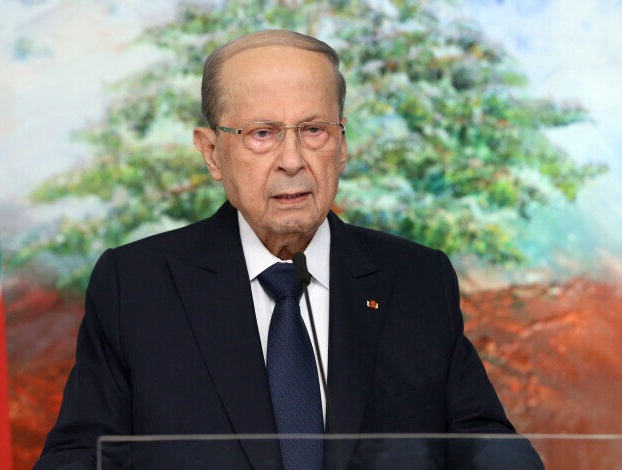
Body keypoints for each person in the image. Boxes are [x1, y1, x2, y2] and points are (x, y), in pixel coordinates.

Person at [35, 30, 543, 469]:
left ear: (342, 146)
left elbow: (485, 443)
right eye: (262, 134)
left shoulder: (416, 280)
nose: (292, 160)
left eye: (314, 130)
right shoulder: (135, 286)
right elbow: (78, 455)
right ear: (212, 153)